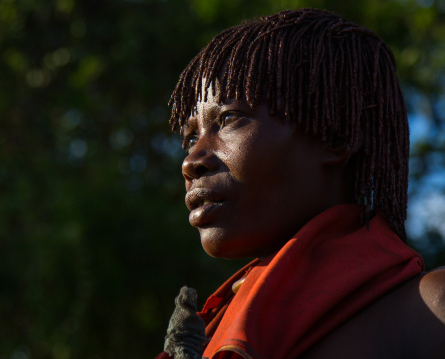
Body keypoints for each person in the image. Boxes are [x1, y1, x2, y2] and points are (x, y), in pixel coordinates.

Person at [156, 8, 445, 359]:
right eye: (189, 139)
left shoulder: (432, 312)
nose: (191, 162)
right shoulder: (208, 333)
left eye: (230, 118)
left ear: (337, 136)